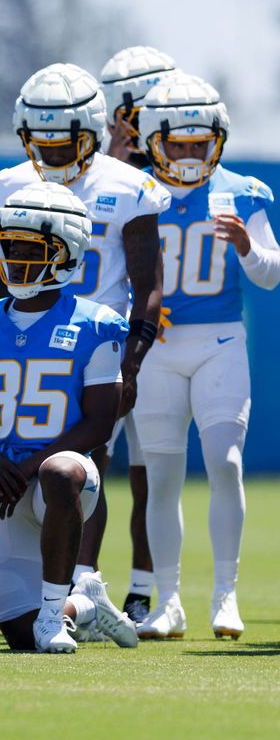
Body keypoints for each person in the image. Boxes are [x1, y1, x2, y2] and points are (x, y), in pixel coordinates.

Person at [0, 63, 167, 616]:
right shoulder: (9, 184)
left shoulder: (127, 186)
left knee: (87, 460)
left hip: (93, 342)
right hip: (18, 341)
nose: (56, 154)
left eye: (68, 143)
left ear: (92, 130)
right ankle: (33, 587)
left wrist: (130, 365)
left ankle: (80, 583)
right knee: (13, 459)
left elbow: (148, 285)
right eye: (43, 143)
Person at [0, 180, 138, 653]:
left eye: (31, 249)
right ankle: (84, 603)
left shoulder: (96, 324)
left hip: (64, 479)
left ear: (67, 253)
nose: (16, 260)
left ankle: (55, 613)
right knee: (17, 635)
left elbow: (98, 423)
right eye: (9, 247)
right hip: (3, 480)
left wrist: (26, 467)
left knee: (60, 468)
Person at [133, 74, 280, 640]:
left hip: (220, 341)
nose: (192, 154)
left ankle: (226, 594)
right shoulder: (137, 191)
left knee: (226, 462)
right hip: (158, 348)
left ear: (217, 140)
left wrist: (246, 246)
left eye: (201, 143)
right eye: (180, 143)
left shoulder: (243, 191)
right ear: (154, 140)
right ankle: (167, 600)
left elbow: (271, 274)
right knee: (163, 475)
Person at [98, 45, 180, 622]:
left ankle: (143, 586)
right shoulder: (104, 163)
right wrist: (113, 156)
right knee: (88, 463)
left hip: (163, 332)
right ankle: (73, 580)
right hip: (104, 331)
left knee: (148, 469)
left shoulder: (183, 157)